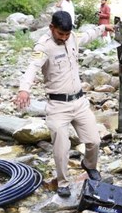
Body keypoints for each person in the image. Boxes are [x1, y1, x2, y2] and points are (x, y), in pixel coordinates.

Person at [15, 11, 114, 197]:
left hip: (80, 102)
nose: (64, 38)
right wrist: (24, 89)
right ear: (51, 27)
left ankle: (89, 165)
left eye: (67, 34)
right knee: (62, 149)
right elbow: (33, 67)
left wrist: (103, 28)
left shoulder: (72, 38)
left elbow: (86, 36)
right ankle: (63, 182)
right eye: (61, 34)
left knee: (94, 141)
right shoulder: (43, 47)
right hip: (58, 106)